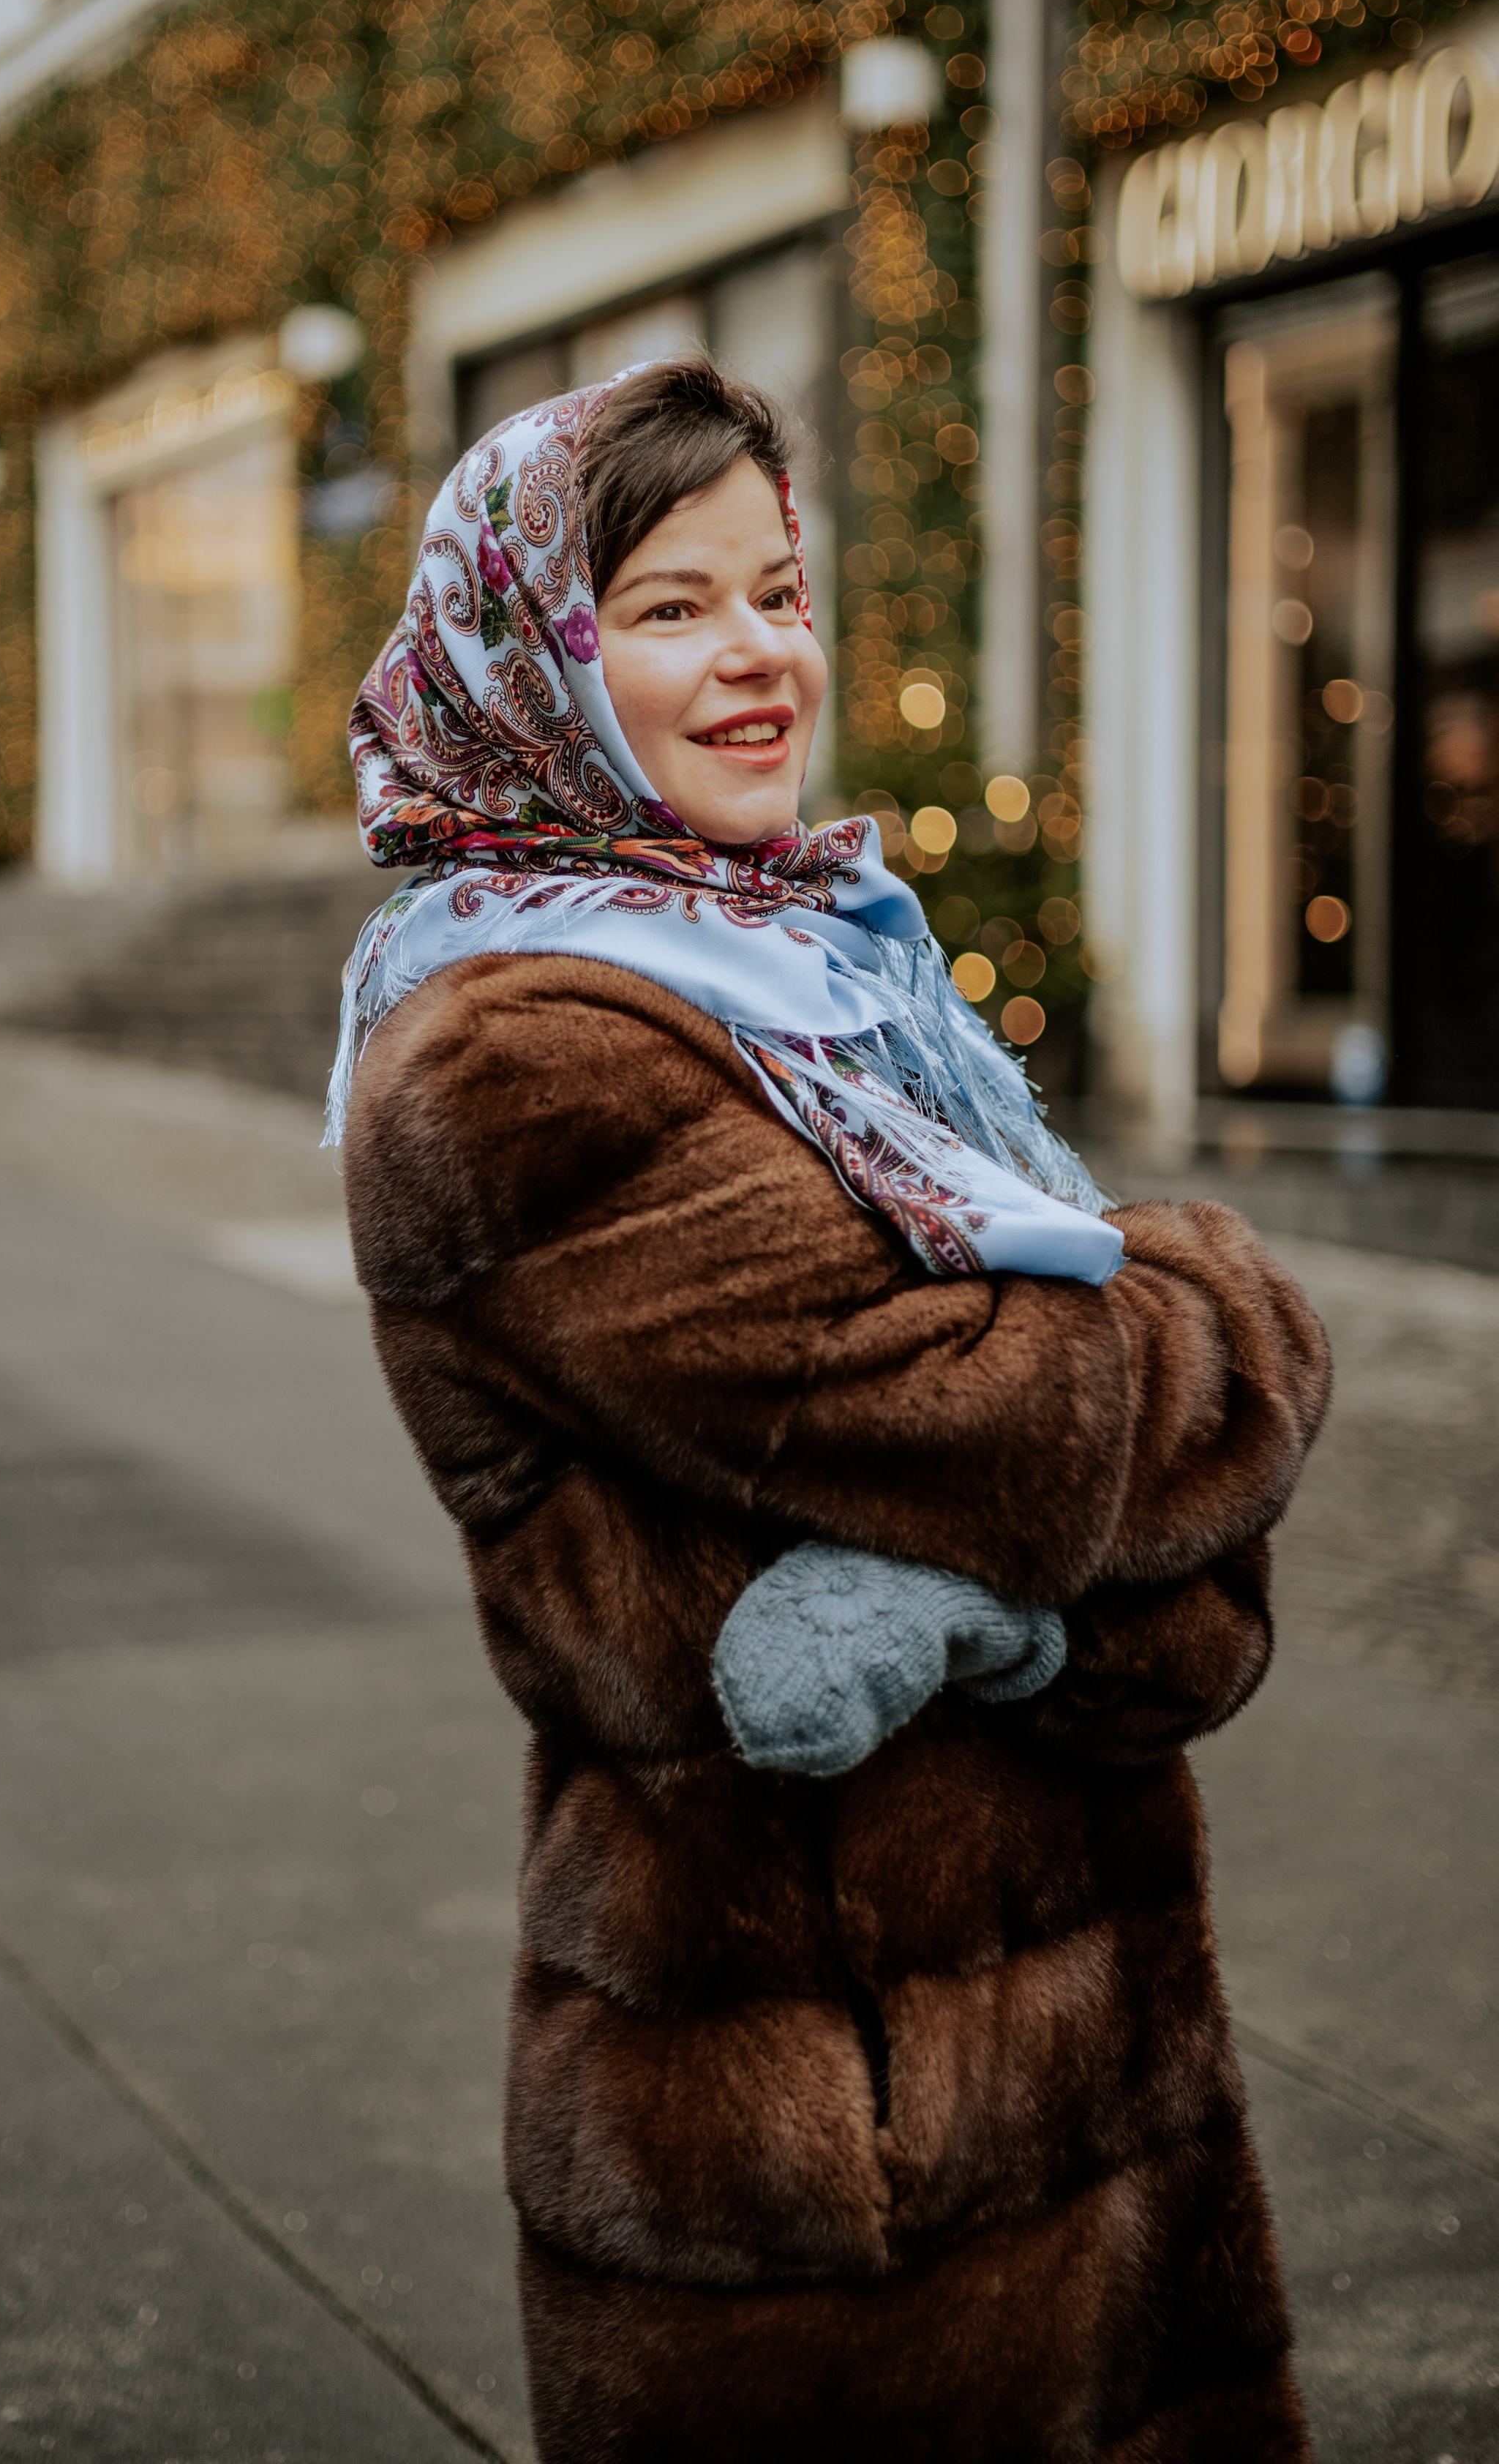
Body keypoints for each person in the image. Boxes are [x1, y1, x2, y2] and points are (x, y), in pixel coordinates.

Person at [332, 357, 1330, 2463]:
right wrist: (1232, 1308)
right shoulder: (514, 1059)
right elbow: (1016, 1429)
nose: (761, 654)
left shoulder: (817, 961)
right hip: (812, 2067)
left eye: (779, 591)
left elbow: (1140, 1561)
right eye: (670, 608)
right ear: (533, 658)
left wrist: (1082, 1593)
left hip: (1073, 1985)